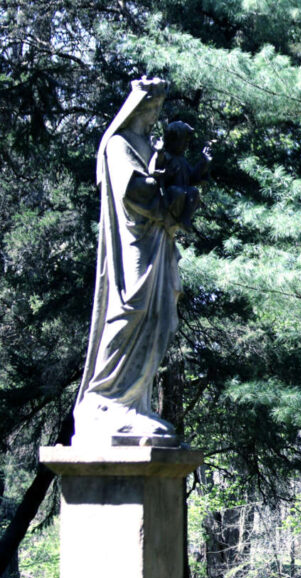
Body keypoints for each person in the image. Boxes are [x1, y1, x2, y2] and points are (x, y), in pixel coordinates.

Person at [73, 76, 187, 446]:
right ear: (137, 106)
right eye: (152, 106)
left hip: (159, 241)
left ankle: (135, 403)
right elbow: (135, 191)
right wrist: (168, 195)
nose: (156, 114)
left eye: (158, 108)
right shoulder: (118, 144)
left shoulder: (149, 145)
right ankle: (106, 399)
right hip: (133, 244)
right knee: (130, 310)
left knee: (162, 317)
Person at [149, 120, 211, 232]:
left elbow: (193, 178)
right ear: (172, 140)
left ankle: (185, 219)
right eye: (183, 142)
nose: (186, 145)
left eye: (187, 142)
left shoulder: (182, 160)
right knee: (178, 192)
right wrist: (160, 154)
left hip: (183, 195)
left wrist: (204, 162)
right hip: (168, 196)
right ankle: (171, 216)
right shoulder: (166, 155)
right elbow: (156, 170)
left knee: (194, 192)